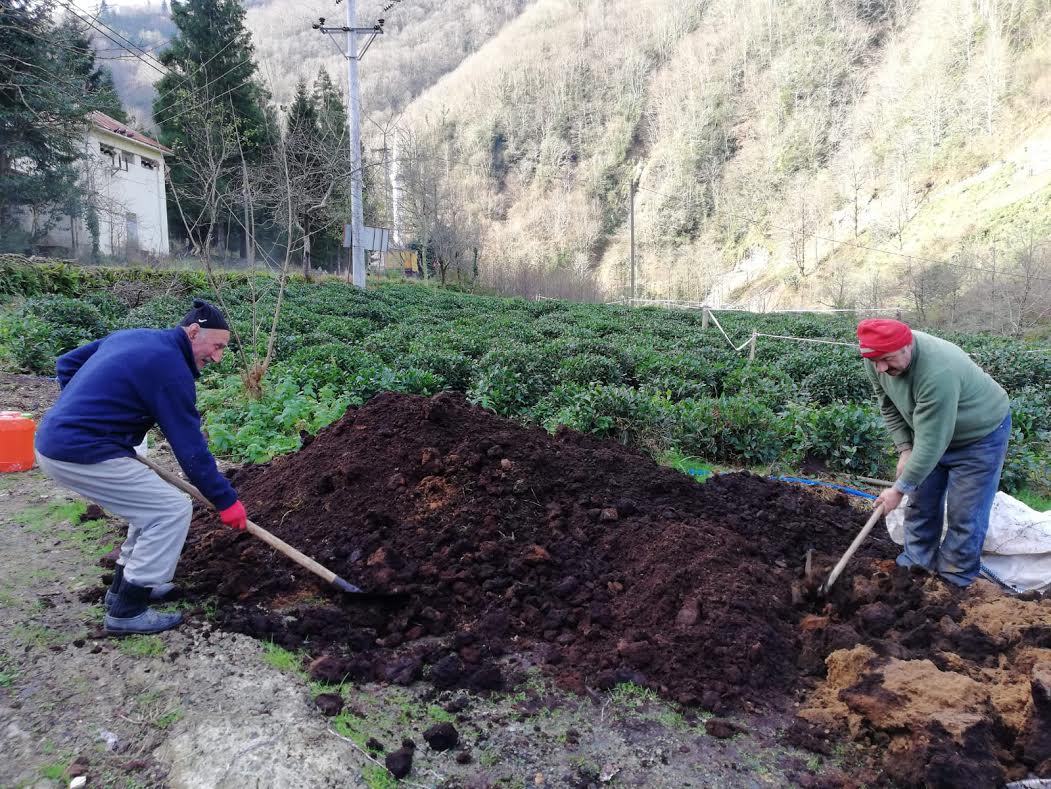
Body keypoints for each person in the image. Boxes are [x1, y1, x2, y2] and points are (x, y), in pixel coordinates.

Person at [34, 299, 249, 634]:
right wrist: (225, 501)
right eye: (217, 346)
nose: (218, 357)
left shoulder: (135, 336)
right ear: (193, 332)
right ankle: (128, 610)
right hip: (78, 450)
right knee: (171, 508)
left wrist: (95, 417)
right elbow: (191, 450)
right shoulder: (170, 370)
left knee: (150, 505)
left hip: (62, 442)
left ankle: (127, 584)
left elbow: (67, 365)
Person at [857, 318, 1011, 586]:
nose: (880, 367)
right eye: (874, 361)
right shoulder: (876, 359)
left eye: (886, 359)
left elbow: (932, 443)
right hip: (929, 433)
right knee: (920, 504)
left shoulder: (938, 371)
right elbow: (888, 405)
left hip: (979, 437)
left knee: (965, 514)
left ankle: (954, 579)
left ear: (907, 346)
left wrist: (897, 490)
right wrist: (905, 448)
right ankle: (916, 567)